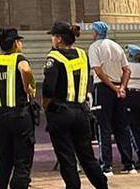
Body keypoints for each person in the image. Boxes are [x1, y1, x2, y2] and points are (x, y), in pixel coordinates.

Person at [43, 21, 107, 189]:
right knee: (88, 157)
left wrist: (46, 107)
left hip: (61, 112)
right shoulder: (82, 54)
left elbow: (49, 89)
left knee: (67, 158)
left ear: (58, 39)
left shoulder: (54, 57)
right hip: (81, 111)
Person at [0, 27, 36, 189]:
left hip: (1, 116)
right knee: (22, 161)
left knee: (3, 161)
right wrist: (28, 87)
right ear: (15, 43)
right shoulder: (19, 59)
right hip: (20, 116)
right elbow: (25, 69)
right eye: (19, 41)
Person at [87, 21, 136, 175]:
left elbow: (98, 71)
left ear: (95, 32)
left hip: (103, 88)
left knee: (104, 127)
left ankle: (106, 166)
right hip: (119, 89)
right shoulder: (116, 46)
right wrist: (121, 87)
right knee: (122, 127)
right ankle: (129, 164)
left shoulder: (94, 47)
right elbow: (127, 70)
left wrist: (113, 87)